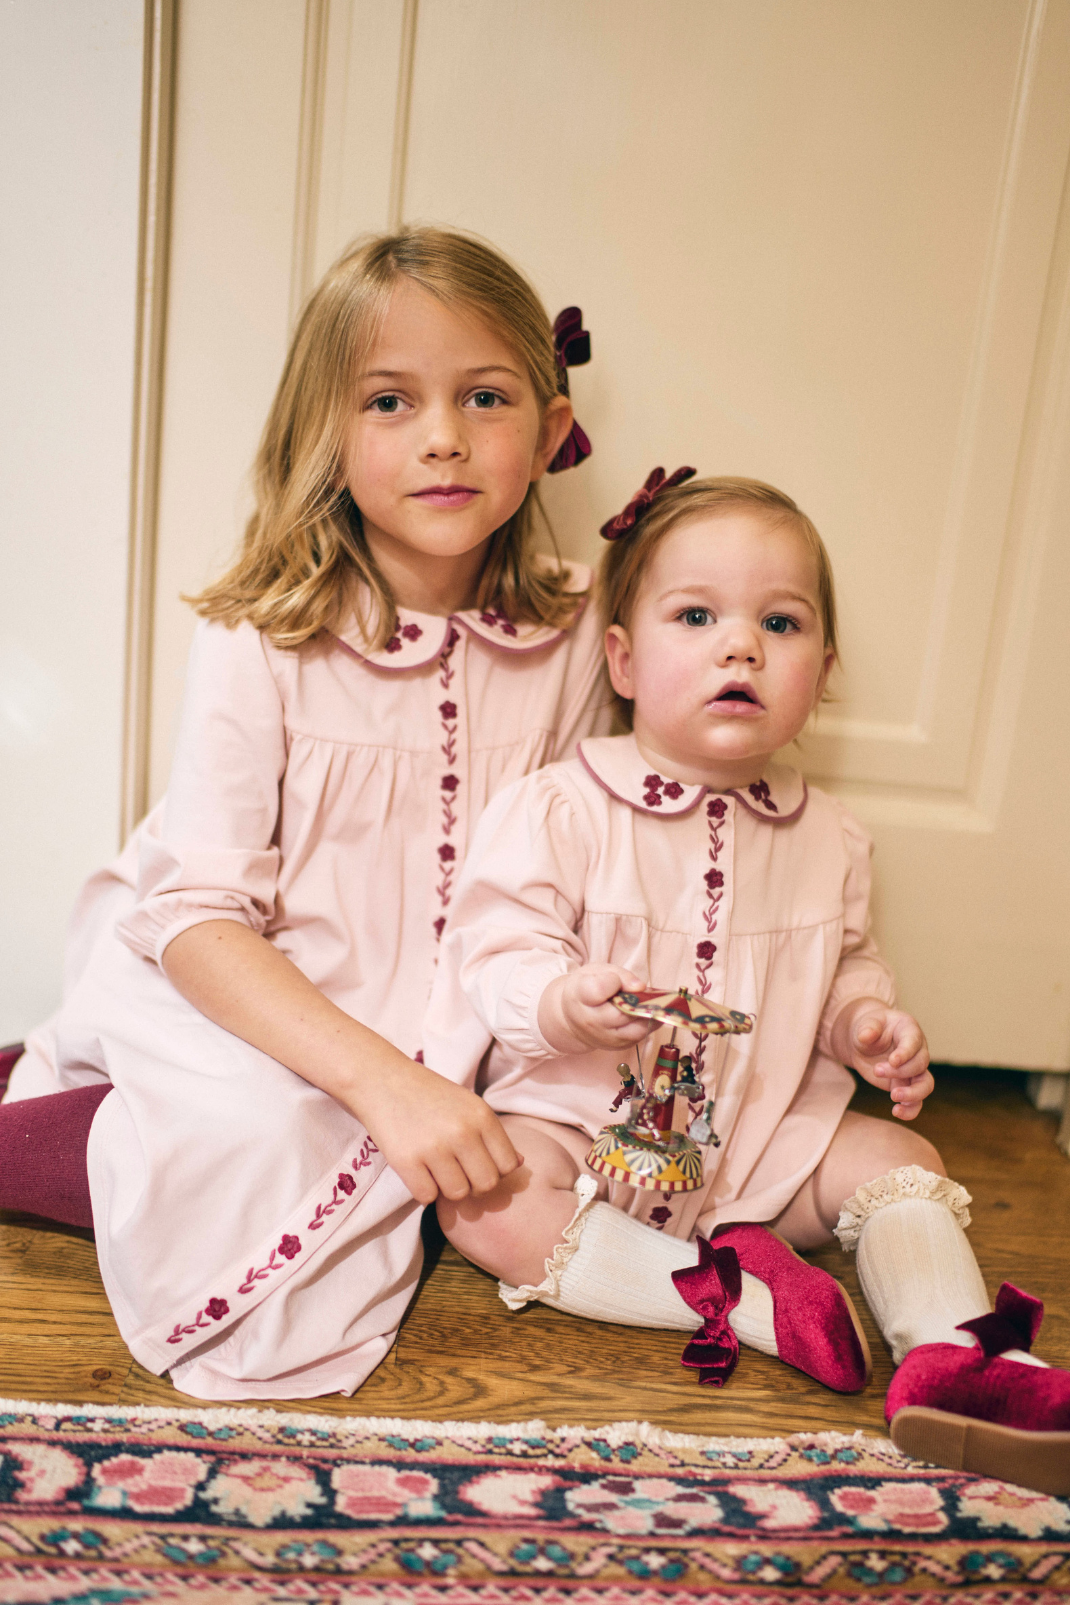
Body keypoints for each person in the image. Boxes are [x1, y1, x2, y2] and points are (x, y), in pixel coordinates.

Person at [0, 228, 612, 1400]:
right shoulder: (261, 637)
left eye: (483, 397)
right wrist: (384, 1083)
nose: (442, 437)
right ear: (324, 434)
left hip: (465, 995)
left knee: (551, 1137)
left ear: (547, 431)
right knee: (267, 1134)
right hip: (249, 984)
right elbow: (197, 920)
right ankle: (48, 1130)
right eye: (389, 401)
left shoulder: (581, 630)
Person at [425, 471, 1070, 1492]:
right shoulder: (562, 808)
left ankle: (957, 1354)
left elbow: (845, 969)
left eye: (780, 622)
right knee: (484, 1203)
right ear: (623, 660)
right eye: (697, 616)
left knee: (896, 1154)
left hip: (761, 1147)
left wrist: (862, 1024)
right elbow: (493, 947)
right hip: (585, 1131)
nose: (741, 647)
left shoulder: (830, 839)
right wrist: (557, 1000)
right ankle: (737, 1298)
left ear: (822, 670)